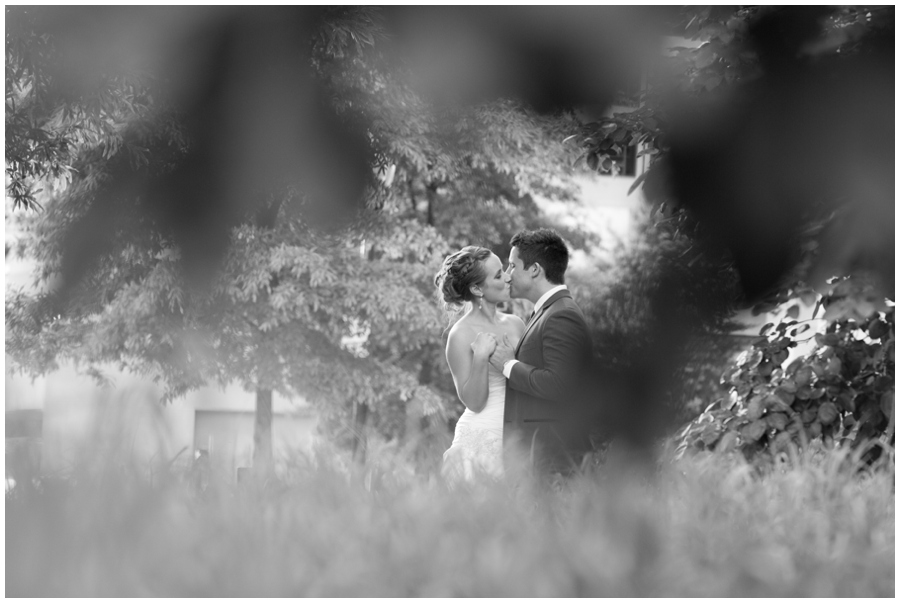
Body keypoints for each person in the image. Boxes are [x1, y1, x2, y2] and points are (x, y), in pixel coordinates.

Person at [488, 228, 593, 476]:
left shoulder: (561, 314)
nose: (508, 275)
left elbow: (559, 384)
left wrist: (508, 365)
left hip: (554, 459)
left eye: (513, 266)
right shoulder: (547, 311)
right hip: (540, 458)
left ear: (534, 269)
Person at [434, 246, 526, 482]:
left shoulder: (516, 324)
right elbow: (474, 402)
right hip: (481, 435)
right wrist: (480, 357)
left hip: (517, 433)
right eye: (498, 275)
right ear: (477, 289)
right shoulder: (460, 335)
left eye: (504, 270)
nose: (508, 276)